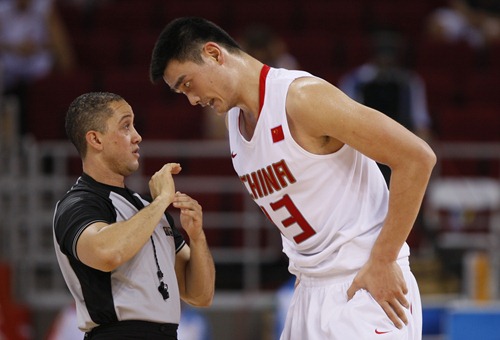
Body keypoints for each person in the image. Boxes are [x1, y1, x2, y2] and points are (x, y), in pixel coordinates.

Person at [149, 17, 437, 339]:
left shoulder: (301, 98)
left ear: (214, 54)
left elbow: (416, 157)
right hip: (308, 289)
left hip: (365, 281)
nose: (191, 99)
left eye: (188, 83)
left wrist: (384, 259)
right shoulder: (234, 121)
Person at [52, 91, 215, 339]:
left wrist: (197, 237)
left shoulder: (147, 209)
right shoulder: (77, 203)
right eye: (126, 126)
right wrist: (161, 200)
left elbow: (200, 295)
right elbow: (108, 253)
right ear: (95, 139)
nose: (137, 136)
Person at [338, 30, 433, 184]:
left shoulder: (409, 82)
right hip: (363, 149)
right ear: (373, 52)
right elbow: (342, 122)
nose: (385, 58)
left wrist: (421, 158)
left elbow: (420, 124)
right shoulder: (355, 81)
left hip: (400, 149)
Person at [0, 0, 76, 135]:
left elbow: (61, 49)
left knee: (41, 96)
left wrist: (36, 47)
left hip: (38, 73)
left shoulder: (44, 7)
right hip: (9, 75)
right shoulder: (3, 9)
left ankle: (42, 137)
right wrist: (14, 48)